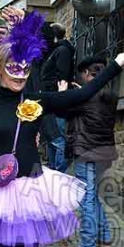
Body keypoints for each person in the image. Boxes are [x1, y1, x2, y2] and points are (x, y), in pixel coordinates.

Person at [0, 11, 124, 247]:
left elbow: (82, 95)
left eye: (25, 68)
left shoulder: (36, 102)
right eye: (12, 68)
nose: (19, 74)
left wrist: (116, 64)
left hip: (30, 194)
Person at [61, 56, 118, 247]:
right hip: (105, 153)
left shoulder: (85, 95)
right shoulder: (110, 94)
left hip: (86, 152)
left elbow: (63, 111)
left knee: (86, 198)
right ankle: (105, 236)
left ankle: (87, 246)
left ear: (86, 74)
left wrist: (65, 93)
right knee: (93, 196)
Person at [40, 22, 76, 173]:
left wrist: (56, 95)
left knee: (58, 139)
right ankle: (53, 171)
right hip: (50, 99)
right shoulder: (55, 52)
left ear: (53, 36)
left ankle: (59, 172)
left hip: (57, 101)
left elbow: (62, 77)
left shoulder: (62, 51)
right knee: (51, 139)